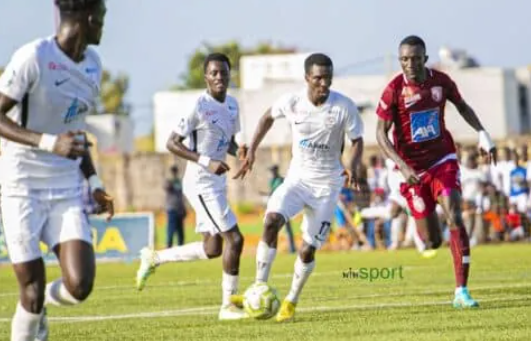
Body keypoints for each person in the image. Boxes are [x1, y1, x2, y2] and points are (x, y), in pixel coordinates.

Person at [0, 0, 114, 341]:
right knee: (30, 290)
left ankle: (40, 310)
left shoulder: (93, 65)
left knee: (80, 285)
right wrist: (45, 142)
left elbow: (76, 133)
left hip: (64, 185)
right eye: (104, 17)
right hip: (18, 183)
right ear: (89, 17)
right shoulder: (33, 56)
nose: (105, 26)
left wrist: (94, 183)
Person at [233, 52, 365, 323]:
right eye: (318, 78)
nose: (324, 84)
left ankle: (291, 301)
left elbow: (358, 139)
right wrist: (252, 151)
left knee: (307, 249)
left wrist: (353, 165)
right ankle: (259, 286)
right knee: (270, 221)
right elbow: (267, 118)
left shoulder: (343, 107)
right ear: (307, 78)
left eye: (328, 78)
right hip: (297, 180)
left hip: (327, 186)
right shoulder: (292, 102)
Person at [375, 35, 496, 309]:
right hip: (412, 170)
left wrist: (482, 133)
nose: (410, 64)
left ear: (425, 59)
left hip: (442, 159)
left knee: (455, 212)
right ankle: (420, 226)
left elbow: (462, 106)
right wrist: (403, 168)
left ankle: (461, 292)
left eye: (415, 58)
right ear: (400, 61)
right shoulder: (393, 90)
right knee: (432, 242)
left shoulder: (441, 82)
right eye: (405, 59)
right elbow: (380, 135)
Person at [135, 53, 248, 321]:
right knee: (236, 239)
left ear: (230, 74)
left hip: (216, 182)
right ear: (206, 77)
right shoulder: (198, 106)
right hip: (199, 181)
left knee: (213, 248)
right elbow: (172, 143)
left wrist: (240, 152)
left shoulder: (232, 105)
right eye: (214, 73)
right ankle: (228, 306)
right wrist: (206, 161)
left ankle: (155, 258)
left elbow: (226, 141)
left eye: (223, 72)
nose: (219, 77)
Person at [164, 165, 186, 247]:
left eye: (175, 171)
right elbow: (167, 187)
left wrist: (183, 208)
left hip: (180, 209)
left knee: (180, 230)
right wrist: (172, 181)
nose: (174, 173)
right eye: (173, 171)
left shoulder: (179, 182)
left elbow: (181, 196)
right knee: (171, 229)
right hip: (171, 209)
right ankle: (169, 246)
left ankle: (181, 246)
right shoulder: (169, 181)